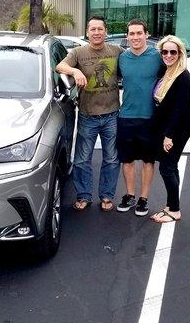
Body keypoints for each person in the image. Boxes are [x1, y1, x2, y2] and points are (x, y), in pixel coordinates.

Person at [56, 16, 123, 211]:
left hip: (112, 115)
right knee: (82, 159)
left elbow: (132, 64)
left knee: (111, 159)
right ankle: (84, 195)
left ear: (106, 31)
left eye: (100, 29)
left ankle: (107, 196)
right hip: (87, 115)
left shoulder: (116, 51)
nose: (96, 32)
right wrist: (75, 72)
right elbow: (60, 66)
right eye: (92, 29)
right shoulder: (78, 52)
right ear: (87, 32)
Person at [116, 19, 164, 216]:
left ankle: (143, 198)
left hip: (150, 118)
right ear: (127, 37)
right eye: (132, 34)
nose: (135, 37)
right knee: (126, 160)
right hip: (126, 116)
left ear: (146, 34)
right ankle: (130, 195)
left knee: (147, 161)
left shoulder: (158, 57)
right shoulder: (122, 58)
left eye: (139, 33)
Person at [150, 36, 190, 223]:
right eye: (164, 51)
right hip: (167, 128)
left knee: (166, 168)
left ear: (180, 53)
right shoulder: (167, 72)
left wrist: (169, 135)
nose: (168, 55)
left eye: (173, 52)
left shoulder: (183, 77)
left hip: (176, 130)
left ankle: (174, 210)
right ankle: (171, 205)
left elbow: (181, 109)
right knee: (171, 166)